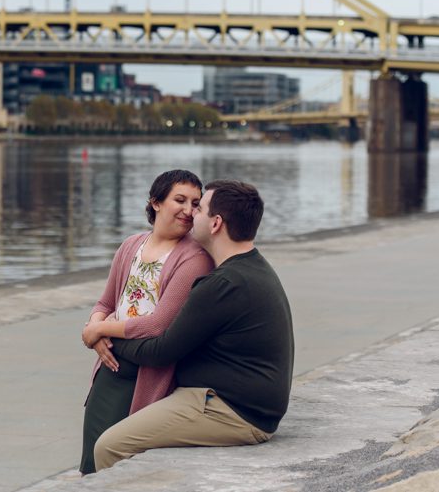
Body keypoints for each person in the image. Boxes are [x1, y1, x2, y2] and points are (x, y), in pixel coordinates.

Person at [86, 179, 294, 471]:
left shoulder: (223, 283)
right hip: (241, 403)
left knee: (110, 446)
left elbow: (161, 350)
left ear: (216, 223)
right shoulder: (251, 267)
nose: (191, 214)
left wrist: (103, 335)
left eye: (200, 208)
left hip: (230, 410)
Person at [79, 170, 214, 475]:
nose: (188, 210)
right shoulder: (131, 246)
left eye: (195, 203)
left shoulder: (194, 258)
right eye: (179, 200)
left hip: (147, 375)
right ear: (156, 202)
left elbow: (158, 325)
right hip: (108, 372)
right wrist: (95, 326)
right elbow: (106, 303)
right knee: (92, 466)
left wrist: (99, 329)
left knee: (129, 469)